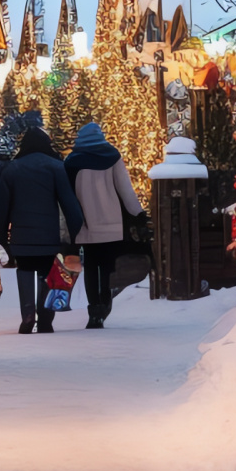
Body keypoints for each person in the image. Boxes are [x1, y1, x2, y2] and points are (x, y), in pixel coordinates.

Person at [0, 124, 83, 333]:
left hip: (21, 237)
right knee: (46, 272)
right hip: (48, 236)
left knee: (24, 270)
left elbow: (1, 208)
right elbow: (69, 204)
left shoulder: (12, 169)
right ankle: (45, 318)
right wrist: (76, 235)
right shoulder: (55, 167)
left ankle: (27, 315)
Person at [64, 119, 146, 328]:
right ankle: (105, 303)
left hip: (86, 224)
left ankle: (94, 310)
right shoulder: (112, 156)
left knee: (91, 266)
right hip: (112, 223)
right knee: (108, 266)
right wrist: (138, 214)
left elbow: (67, 196)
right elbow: (125, 189)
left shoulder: (71, 161)